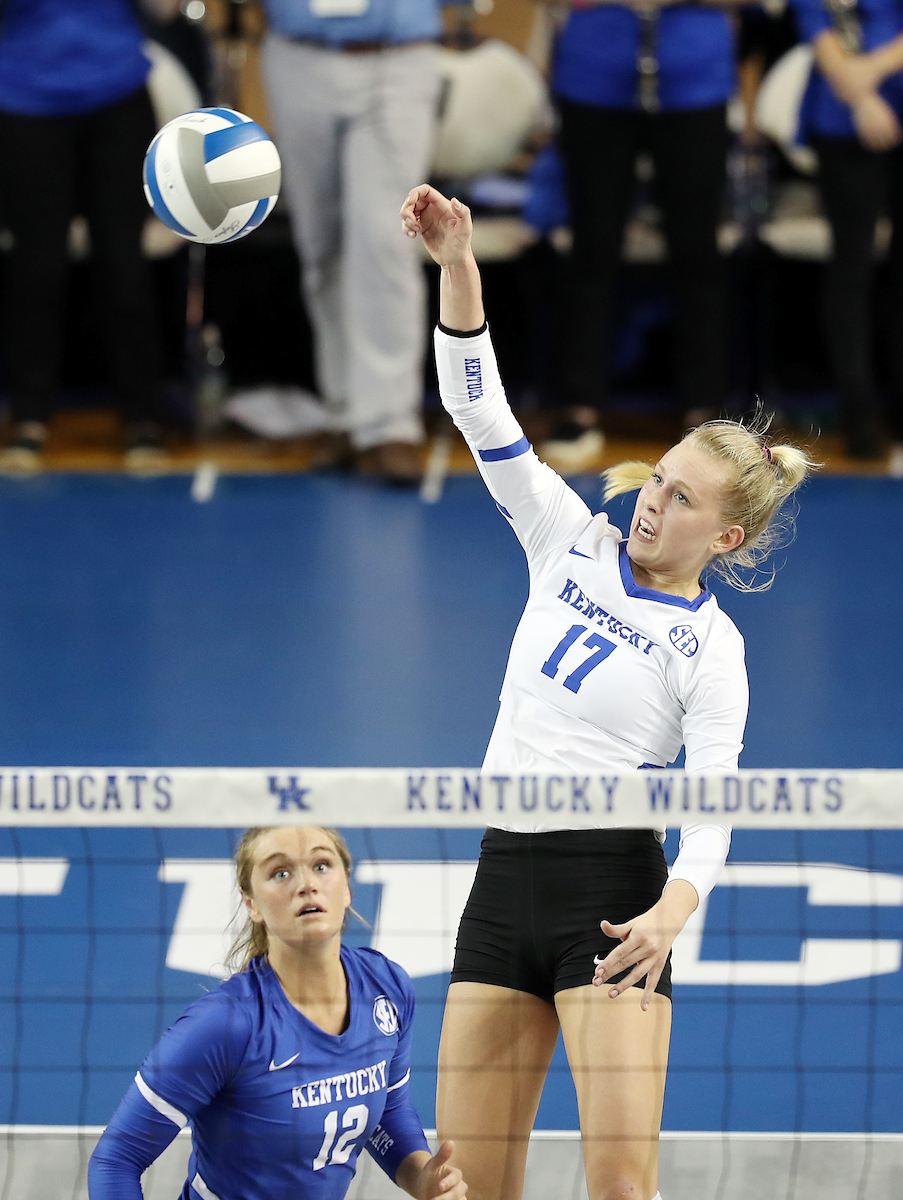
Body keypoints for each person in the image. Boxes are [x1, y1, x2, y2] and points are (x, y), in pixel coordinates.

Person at [400, 183, 816, 1200]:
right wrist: (458, 267)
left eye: (681, 499)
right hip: (503, 883)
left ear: (725, 539)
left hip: (612, 900)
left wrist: (675, 906)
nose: (651, 502)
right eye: (656, 479)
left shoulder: (711, 650)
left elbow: (715, 800)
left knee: (622, 1188)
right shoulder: (566, 540)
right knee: (466, 1186)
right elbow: (474, 407)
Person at [88, 824, 467, 1200]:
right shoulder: (225, 1025)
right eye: (280, 873)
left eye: (321, 865)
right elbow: (116, 1159)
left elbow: (388, 1108)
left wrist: (419, 1176)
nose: (306, 884)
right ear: (251, 903)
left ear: (347, 887)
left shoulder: (386, 987)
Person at [538, 0, 742, 472]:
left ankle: (704, 411)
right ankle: (578, 407)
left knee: (697, 251)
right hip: (594, 74)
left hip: (694, 77)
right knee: (591, 248)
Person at [259, 0, 442, 485]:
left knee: (385, 241)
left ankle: (389, 425)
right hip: (300, 54)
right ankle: (345, 413)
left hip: (396, 57)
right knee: (320, 247)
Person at [0, 0, 180, 470]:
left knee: (124, 262)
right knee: (36, 264)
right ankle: (29, 416)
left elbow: (165, 9)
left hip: (117, 93)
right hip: (25, 96)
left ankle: (141, 416)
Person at [789, 0, 903, 459]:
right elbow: (819, 24)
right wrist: (859, 95)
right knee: (851, 268)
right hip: (842, 120)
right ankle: (858, 411)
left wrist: (871, 70)